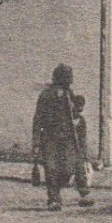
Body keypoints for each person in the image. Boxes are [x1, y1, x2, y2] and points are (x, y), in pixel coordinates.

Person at [32, 63, 91, 210]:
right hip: (50, 138)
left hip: (68, 138)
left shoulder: (68, 93)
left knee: (71, 166)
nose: (69, 82)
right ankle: (54, 199)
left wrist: (76, 115)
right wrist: (36, 142)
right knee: (51, 169)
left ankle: (83, 192)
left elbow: (74, 113)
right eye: (66, 78)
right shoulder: (46, 95)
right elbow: (38, 119)